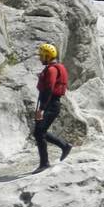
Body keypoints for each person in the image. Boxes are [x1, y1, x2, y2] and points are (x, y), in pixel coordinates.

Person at [33, 43, 72, 173]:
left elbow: (49, 89)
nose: (40, 58)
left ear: (47, 56)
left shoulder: (51, 70)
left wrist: (42, 109)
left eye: (41, 56)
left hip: (51, 104)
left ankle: (45, 163)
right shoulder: (52, 68)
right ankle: (64, 146)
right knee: (39, 131)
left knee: (39, 132)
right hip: (51, 103)